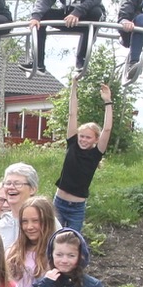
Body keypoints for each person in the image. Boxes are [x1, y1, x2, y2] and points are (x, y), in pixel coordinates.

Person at [54, 81, 115, 232]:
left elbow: (107, 129)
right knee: (52, 239)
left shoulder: (96, 154)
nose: (83, 140)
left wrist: (108, 101)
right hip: (59, 203)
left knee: (73, 241)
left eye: (88, 137)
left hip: (77, 208)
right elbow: (72, 113)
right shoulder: (72, 144)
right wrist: (74, 86)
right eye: (81, 136)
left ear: (95, 140)